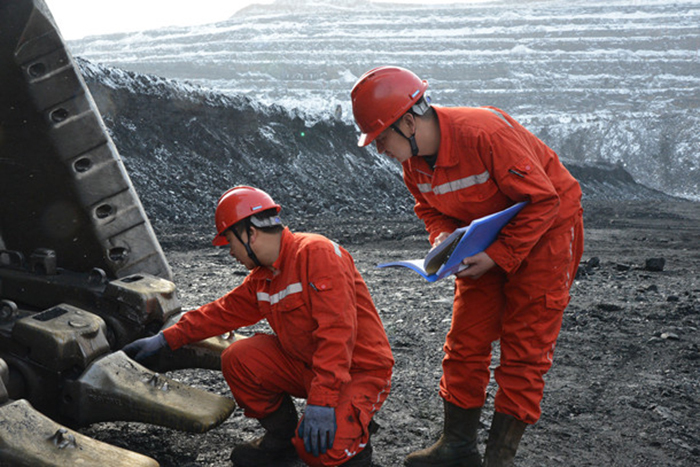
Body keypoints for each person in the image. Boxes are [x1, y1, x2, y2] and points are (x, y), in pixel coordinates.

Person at [350, 67, 584, 467]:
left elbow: (545, 201)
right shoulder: (414, 164)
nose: (379, 150)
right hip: (483, 244)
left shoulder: (484, 134)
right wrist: (443, 238)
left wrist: (498, 256)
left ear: (408, 121)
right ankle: (457, 446)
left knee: (524, 349)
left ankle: (498, 459)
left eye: (381, 138)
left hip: (547, 235)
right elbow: (430, 209)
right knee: (465, 342)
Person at [123, 186, 394, 467]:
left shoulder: (317, 253)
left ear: (250, 233)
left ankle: (357, 453)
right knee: (239, 358)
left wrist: (323, 402)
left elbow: (337, 333)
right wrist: (166, 339)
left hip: (356, 370)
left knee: (321, 450)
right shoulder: (264, 276)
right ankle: (283, 442)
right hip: (309, 365)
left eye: (230, 242)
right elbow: (222, 311)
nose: (230, 253)